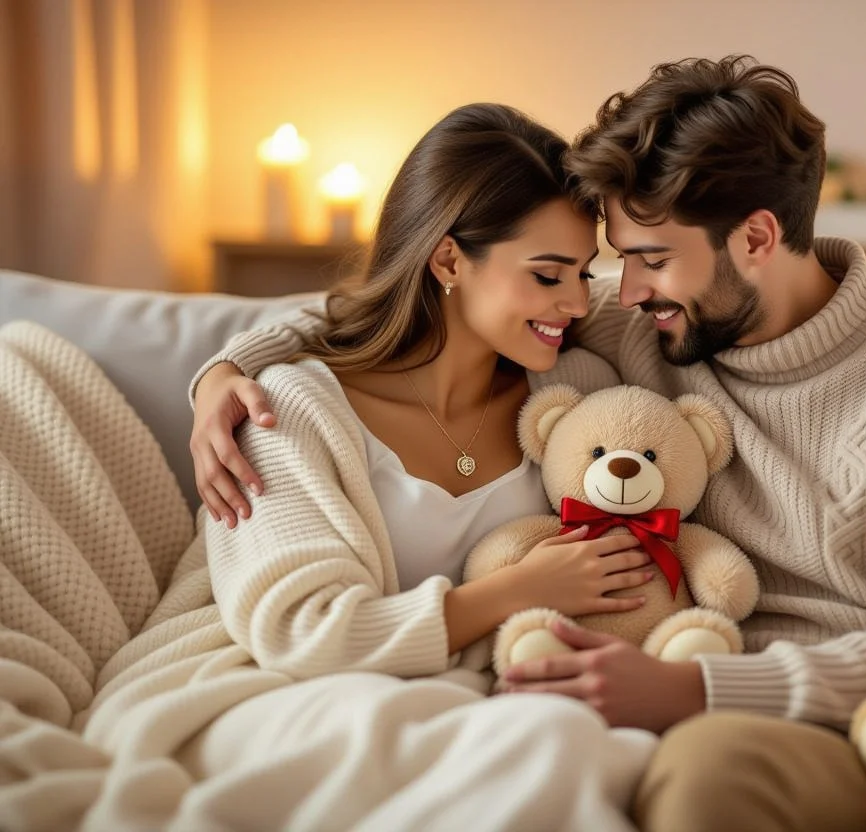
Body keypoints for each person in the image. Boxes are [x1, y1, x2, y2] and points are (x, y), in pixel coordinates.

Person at [191, 58, 866, 831]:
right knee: (709, 780)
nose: (616, 293)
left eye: (648, 261)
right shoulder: (642, 328)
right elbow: (404, 311)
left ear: (758, 238)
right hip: (755, 736)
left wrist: (696, 685)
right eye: (614, 262)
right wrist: (223, 376)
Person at [0, 102, 658, 832]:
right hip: (261, 685)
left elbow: (715, 303)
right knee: (532, 747)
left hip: (468, 693)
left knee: (567, 745)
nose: (574, 301)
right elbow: (296, 630)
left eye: (584, 272)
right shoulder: (289, 407)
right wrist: (523, 589)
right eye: (547, 275)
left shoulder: (576, 400)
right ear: (447, 261)